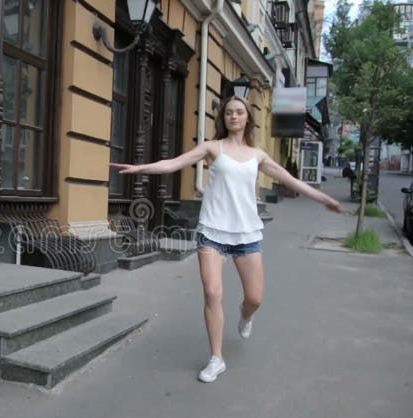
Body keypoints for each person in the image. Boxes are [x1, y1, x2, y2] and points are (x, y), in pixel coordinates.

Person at [110, 96, 345, 383]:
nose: (234, 116)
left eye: (239, 112)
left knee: (255, 298)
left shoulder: (258, 155)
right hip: (212, 231)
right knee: (212, 293)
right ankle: (216, 358)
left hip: (246, 234)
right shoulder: (212, 148)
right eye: (229, 112)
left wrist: (324, 199)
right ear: (223, 118)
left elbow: (290, 180)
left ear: (247, 118)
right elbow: (174, 163)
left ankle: (246, 316)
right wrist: (139, 169)